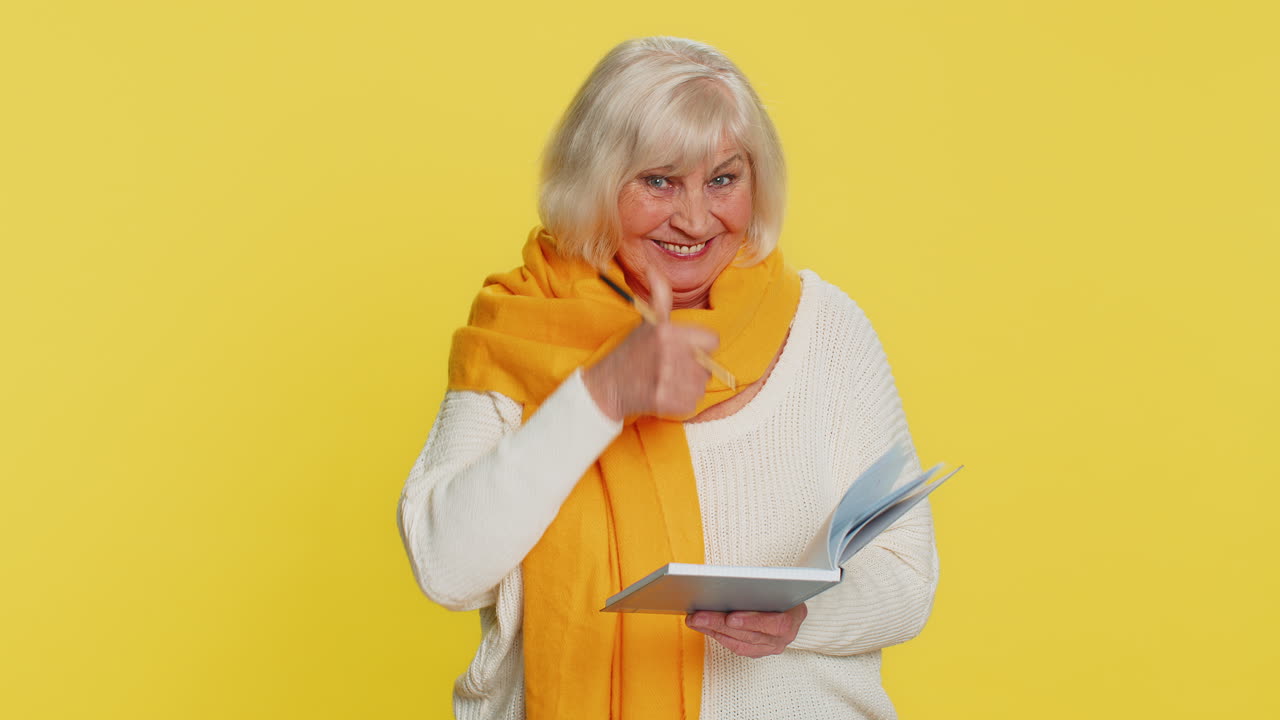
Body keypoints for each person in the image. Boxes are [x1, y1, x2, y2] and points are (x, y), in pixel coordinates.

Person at [397, 36, 939, 720]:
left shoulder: (825, 328)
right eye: (658, 180)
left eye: (723, 179)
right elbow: (447, 569)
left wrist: (801, 619)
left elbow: (908, 578)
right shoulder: (522, 330)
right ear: (593, 181)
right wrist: (602, 396)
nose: (693, 217)